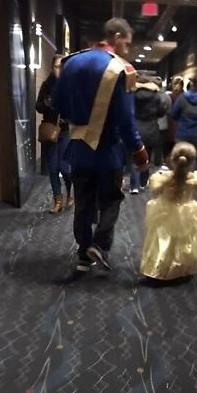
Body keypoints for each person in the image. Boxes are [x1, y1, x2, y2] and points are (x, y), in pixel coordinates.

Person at [53, 18, 148, 273]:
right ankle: (101, 244)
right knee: (111, 199)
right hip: (108, 150)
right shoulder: (121, 68)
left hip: (78, 148)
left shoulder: (70, 62)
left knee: (83, 201)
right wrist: (139, 152)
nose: (127, 50)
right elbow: (126, 120)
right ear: (116, 37)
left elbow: (57, 103)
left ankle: (83, 254)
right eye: (126, 43)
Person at [140, 142, 197, 282]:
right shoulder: (195, 177)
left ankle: (158, 269)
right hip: (188, 211)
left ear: (172, 159)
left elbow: (155, 191)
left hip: (164, 211)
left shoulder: (160, 177)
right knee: (184, 241)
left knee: (162, 240)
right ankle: (182, 269)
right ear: (192, 162)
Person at [35, 54, 73, 213]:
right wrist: (45, 103)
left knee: (65, 168)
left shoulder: (70, 85)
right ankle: (58, 200)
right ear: (52, 67)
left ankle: (70, 193)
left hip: (64, 131)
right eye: (56, 66)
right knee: (52, 168)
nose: (59, 70)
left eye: (61, 67)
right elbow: (38, 107)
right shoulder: (47, 85)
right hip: (50, 129)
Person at [130, 74, 169, 193]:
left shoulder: (133, 95)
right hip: (151, 128)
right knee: (147, 156)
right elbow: (161, 112)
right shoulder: (156, 97)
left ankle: (134, 186)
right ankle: (143, 182)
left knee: (134, 157)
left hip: (136, 127)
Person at [171, 74, 197, 156]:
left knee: (180, 157)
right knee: (193, 158)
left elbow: (174, 113)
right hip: (196, 134)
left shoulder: (182, 97)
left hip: (182, 132)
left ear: (191, 84)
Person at [152, 77, 172, 167]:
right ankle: (157, 162)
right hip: (163, 123)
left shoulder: (151, 95)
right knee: (159, 145)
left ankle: (149, 160)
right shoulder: (166, 96)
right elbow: (169, 109)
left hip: (151, 123)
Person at [164, 76, 184, 157]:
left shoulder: (170, 96)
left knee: (169, 144)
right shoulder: (184, 96)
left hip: (170, 122)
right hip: (182, 123)